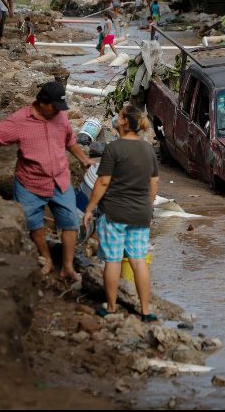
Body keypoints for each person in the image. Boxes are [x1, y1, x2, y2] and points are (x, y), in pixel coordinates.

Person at [0, 82, 95, 281]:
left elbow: (69, 141)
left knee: (70, 222)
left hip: (60, 180)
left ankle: (67, 267)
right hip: (30, 183)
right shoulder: (20, 119)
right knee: (33, 223)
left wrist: (84, 159)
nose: (58, 112)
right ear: (42, 103)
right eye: (54, 107)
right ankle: (47, 259)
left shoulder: (60, 117)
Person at [83, 105, 159, 322]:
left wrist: (89, 209)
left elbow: (103, 181)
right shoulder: (147, 150)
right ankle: (145, 311)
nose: (116, 118)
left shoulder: (113, 149)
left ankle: (112, 308)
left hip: (114, 214)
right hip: (140, 215)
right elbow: (154, 182)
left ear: (125, 122)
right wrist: (147, 205)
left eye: (119, 116)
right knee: (138, 260)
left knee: (114, 261)